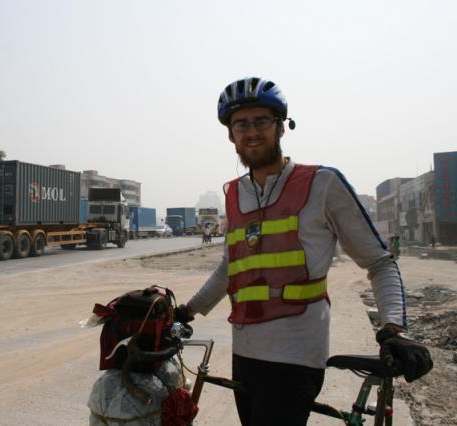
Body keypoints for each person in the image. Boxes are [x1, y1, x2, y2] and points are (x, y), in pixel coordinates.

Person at [175, 77, 433, 425]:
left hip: (294, 356)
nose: (252, 132)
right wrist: (185, 313)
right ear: (230, 134)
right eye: (241, 124)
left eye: (261, 121)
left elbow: (379, 262)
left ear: (281, 127)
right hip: (245, 354)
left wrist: (392, 329)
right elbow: (230, 267)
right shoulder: (235, 194)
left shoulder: (322, 184)